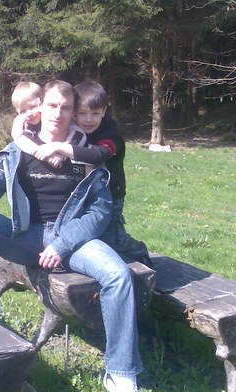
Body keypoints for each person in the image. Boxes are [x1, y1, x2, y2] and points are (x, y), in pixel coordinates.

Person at [0, 80, 144, 392]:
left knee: (118, 275)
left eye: (66, 108)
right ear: (39, 107)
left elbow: (100, 211)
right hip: (26, 236)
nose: (58, 113)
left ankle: (121, 374)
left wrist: (63, 244)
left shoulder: (85, 152)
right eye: (52, 106)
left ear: (73, 112)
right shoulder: (20, 148)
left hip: (74, 239)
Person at [23, 80, 152, 267]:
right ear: (74, 112)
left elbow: (96, 156)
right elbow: (28, 123)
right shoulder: (73, 129)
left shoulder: (110, 135)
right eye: (82, 113)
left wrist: (59, 148)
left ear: (104, 112)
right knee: (90, 234)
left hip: (111, 194)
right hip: (86, 194)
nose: (88, 119)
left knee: (112, 237)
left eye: (95, 113)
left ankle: (138, 251)